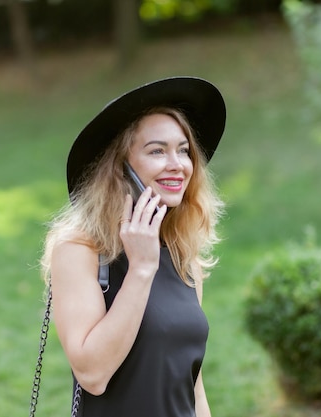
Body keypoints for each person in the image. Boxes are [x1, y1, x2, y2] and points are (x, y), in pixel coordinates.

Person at [40, 76, 227, 417]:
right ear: (119, 168)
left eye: (183, 151)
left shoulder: (183, 257)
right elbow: (93, 374)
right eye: (157, 150)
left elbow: (193, 388)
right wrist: (141, 269)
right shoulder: (79, 251)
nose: (178, 165)